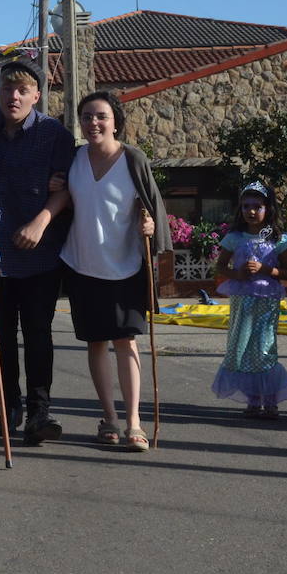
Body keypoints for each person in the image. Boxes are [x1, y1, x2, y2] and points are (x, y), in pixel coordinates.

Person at [0, 59, 75, 445]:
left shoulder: (54, 134)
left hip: (40, 252)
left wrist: (41, 221)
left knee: (39, 334)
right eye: (7, 89)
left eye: (22, 90)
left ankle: (39, 412)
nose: (14, 96)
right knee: (0, 335)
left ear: (36, 95)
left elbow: (66, 186)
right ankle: (8, 409)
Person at [58, 91, 170, 453]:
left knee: (126, 341)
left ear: (115, 121)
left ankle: (134, 422)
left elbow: (152, 206)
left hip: (125, 266)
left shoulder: (132, 159)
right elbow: (65, 198)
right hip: (83, 263)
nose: (93, 123)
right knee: (95, 342)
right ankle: (109, 418)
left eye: (101, 116)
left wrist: (150, 226)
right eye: (87, 117)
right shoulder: (75, 159)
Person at [210, 182, 287, 418]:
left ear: (268, 208)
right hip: (242, 301)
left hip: (266, 301)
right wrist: (237, 273)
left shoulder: (278, 239)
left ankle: (270, 400)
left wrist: (265, 269)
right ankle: (253, 399)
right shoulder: (235, 237)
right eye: (246, 206)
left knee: (265, 347)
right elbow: (220, 266)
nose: (251, 211)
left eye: (257, 206)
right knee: (242, 347)